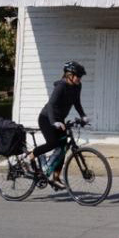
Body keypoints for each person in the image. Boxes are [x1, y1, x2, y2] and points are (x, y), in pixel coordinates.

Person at [31, 61, 89, 189]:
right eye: (78, 76)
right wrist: (54, 122)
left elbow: (77, 102)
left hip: (60, 120)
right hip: (47, 118)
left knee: (63, 148)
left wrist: (83, 116)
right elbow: (51, 105)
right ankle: (31, 156)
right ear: (69, 75)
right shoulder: (61, 86)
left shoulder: (77, 86)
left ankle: (55, 178)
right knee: (53, 143)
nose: (79, 79)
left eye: (80, 76)